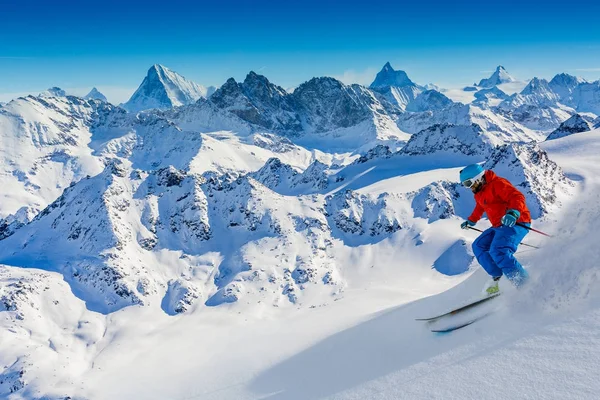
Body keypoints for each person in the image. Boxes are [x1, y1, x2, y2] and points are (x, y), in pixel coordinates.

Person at [459, 164, 531, 295]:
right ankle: (499, 277)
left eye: (469, 183)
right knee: (478, 246)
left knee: (498, 250)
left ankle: (525, 285)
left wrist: (513, 212)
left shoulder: (498, 184)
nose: (469, 187)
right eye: (465, 185)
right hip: (499, 226)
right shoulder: (479, 192)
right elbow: (480, 207)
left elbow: (517, 196)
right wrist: (472, 220)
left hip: (516, 222)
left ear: (478, 178)